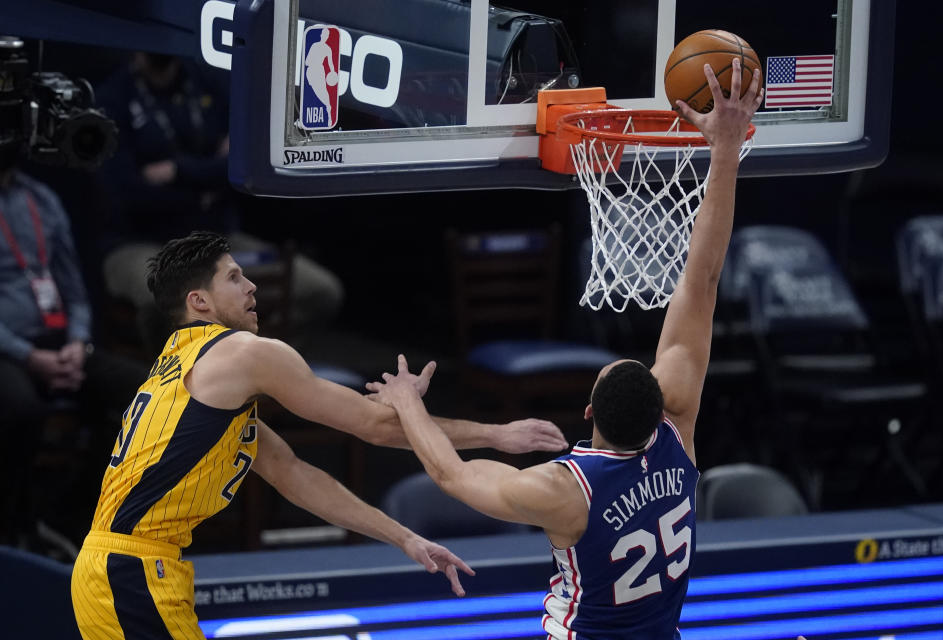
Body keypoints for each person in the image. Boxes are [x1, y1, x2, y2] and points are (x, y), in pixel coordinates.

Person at [366, 59, 763, 639]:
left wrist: (406, 401)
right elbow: (702, 280)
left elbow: (450, 475)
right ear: (660, 410)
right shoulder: (679, 434)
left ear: (587, 415)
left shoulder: (565, 491)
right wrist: (725, 152)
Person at [70, 230, 568, 639]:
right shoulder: (243, 351)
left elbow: (293, 474)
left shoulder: (182, 369)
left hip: (114, 569)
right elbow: (375, 426)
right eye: (234, 277)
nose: (252, 287)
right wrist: (495, 433)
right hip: (131, 571)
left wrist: (405, 538)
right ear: (198, 301)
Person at [95, 52, 344, 350]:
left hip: (215, 239)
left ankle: (256, 371)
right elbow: (127, 193)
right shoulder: (112, 97)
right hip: (141, 241)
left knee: (321, 291)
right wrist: (206, 184)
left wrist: (178, 172)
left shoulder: (208, 80)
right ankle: (187, 385)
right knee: (173, 302)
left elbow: (246, 162)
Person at [0, 163, 147, 551]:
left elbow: (74, 289)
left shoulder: (41, 198)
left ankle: (72, 518)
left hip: (59, 343)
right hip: (8, 349)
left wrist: (78, 344)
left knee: (148, 395)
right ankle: (12, 528)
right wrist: (28, 356)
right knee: (19, 409)